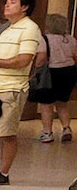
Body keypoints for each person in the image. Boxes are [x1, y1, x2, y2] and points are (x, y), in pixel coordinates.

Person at [0, 0, 42, 185]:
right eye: (7, 2)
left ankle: (3, 173)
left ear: (24, 7)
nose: (7, 6)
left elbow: (24, 59)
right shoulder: (7, 30)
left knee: (7, 133)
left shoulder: (30, 28)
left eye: (13, 2)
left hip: (11, 88)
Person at [35, 14, 77, 143]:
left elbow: (41, 58)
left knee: (46, 105)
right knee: (62, 104)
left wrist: (35, 69)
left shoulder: (45, 39)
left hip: (51, 73)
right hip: (69, 72)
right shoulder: (71, 39)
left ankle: (47, 132)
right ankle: (66, 128)